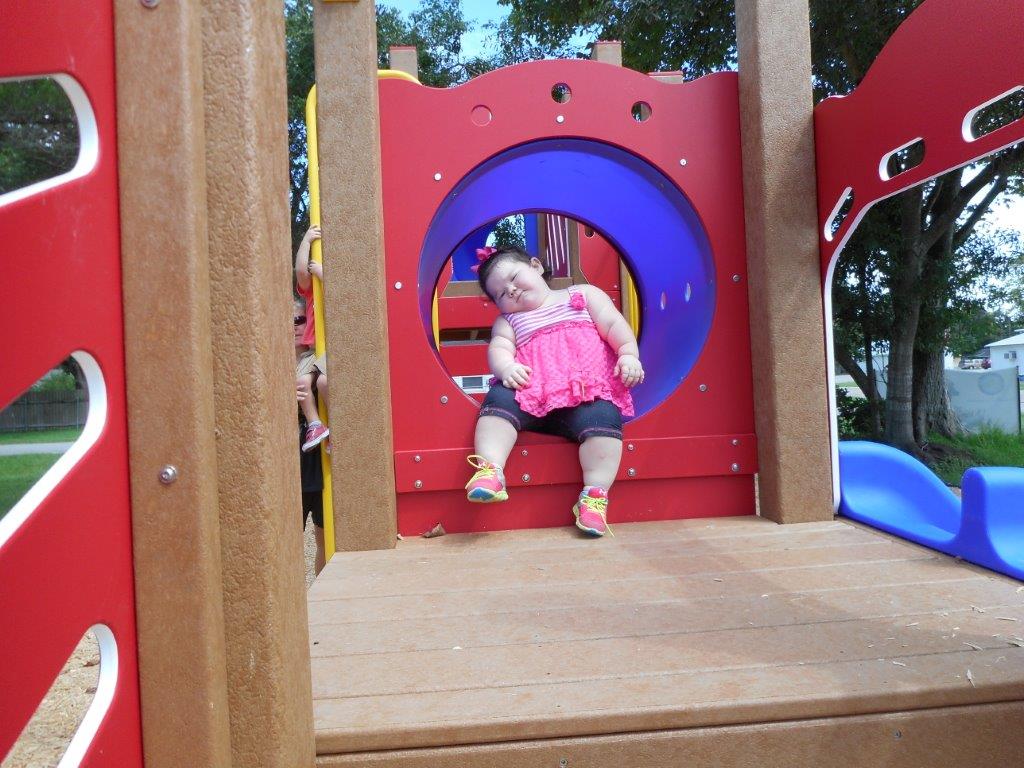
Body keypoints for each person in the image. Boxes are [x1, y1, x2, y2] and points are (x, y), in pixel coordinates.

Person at [464, 246, 644, 537]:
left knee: (605, 422)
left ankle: (594, 496)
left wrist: (627, 354)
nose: (510, 291)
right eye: (500, 294)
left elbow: (613, 324)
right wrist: (506, 368)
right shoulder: (509, 321)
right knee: (498, 401)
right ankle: (490, 470)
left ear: (535, 266)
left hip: (586, 397)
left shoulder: (582, 296)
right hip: (532, 397)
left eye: (513, 277)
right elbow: (499, 348)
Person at [295, 301, 326, 574]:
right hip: (290, 459)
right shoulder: (268, 360)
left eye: (299, 319)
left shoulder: (314, 361)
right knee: (286, 539)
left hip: (315, 456)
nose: (294, 326)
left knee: (323, 535)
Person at [294, 225, 329, 452]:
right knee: (302, 382)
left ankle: (339, 427)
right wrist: (306, 241)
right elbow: (300, 272)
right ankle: (315, 424)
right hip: (312, 349)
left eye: (298, 321)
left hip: (328, 347)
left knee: (324, 382)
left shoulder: (327, 290)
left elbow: (341, 289)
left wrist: (322, 272)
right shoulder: (311, 292)